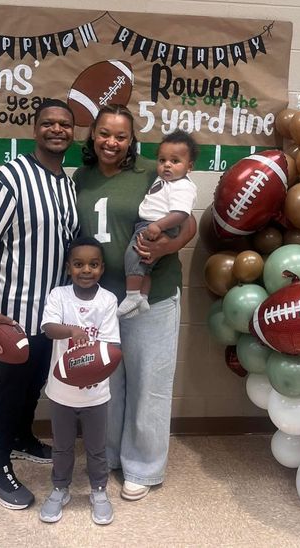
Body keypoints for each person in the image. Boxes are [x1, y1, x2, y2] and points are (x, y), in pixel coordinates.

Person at [73, 104, 197, 501]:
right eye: (104, 133)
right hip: (101, 301)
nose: (112, 142)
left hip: (152, 296)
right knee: (108, 382)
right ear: (93, 135)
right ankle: (109, 455)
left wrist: (167, 247)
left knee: (149, 384)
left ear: (131, 140)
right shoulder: (81, 177)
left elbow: (189, 219)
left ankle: (143, 465)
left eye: (121, 136)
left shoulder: (153, 170)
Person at [0, 99, 79, 510]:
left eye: (65, 124)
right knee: (9, 388)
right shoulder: (10, 177)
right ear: (35, 130)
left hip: (49, 317)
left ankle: (20, 438)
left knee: (34, 385)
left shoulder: (67, 185)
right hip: (11, 313)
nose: (57, 129)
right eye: (48, 123)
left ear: (72, 132)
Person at [39, 237, 120, 525]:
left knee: (97, 448)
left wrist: (92, 374)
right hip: (61, 392)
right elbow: (48, 329)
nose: (86, 270)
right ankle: (60, 488)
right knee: (61, 446)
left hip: (96, 393)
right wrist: (72, 331)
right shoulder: (59, 296)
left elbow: (111, 348)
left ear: (102, 268)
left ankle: (99, 490)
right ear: (69, 268)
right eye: (79, 264)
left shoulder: (108, 300)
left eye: (93, 264)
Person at [117, 131, 198, 318]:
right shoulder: (164, 179)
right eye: (162, 161)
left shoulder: (183, 186)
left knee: (134, 255)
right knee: (146, 265)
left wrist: (159, 226)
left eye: (175, 161)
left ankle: (132, 296)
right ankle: (143, 297)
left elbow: (181, 214)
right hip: (151, 224)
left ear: (189, 166)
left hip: (154, 226)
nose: (167, 165)